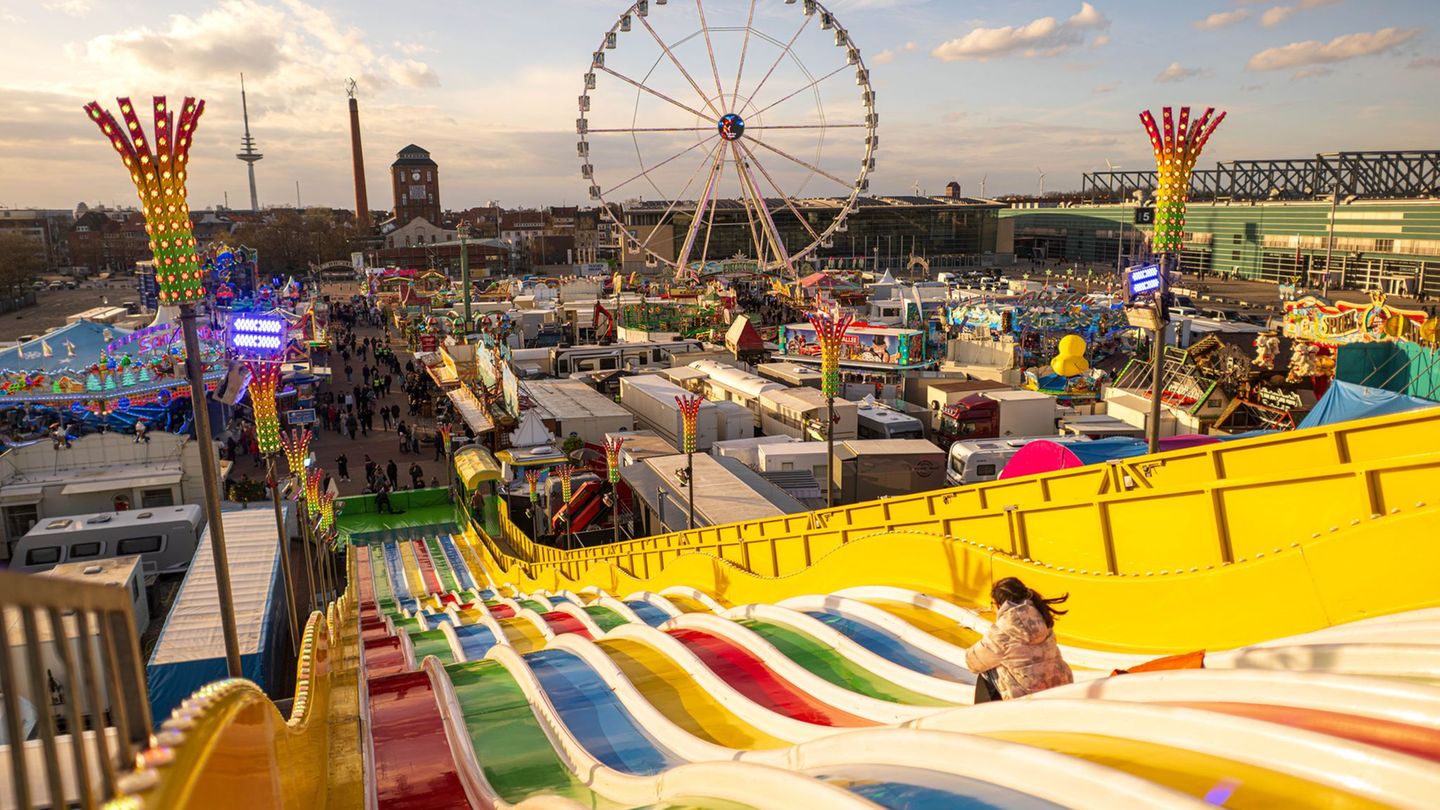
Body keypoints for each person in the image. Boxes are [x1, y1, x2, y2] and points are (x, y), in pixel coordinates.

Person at [964, 577, 1074, 701]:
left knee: (987, 672)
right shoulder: (1041, 616)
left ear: (999, 604)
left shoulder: (1004, 631)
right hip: (1061, 687)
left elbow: (972, 662)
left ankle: (989, 717)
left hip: (1027, 697)